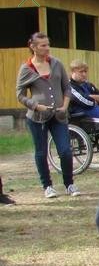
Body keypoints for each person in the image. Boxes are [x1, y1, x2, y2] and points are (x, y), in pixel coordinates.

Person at [15, 32, 80, 199]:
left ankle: (69, 184)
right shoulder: (26, 68)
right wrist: (36, 106)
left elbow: (67, 87)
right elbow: (20, 95)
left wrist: (65, 105)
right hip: (37, 118)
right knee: (41, 152)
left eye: (47, 44)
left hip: (58, 115)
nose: (47, 48)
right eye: (43, 45)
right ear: (33, 47)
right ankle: (47, 186)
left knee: (65, 151)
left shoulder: (56, 64)